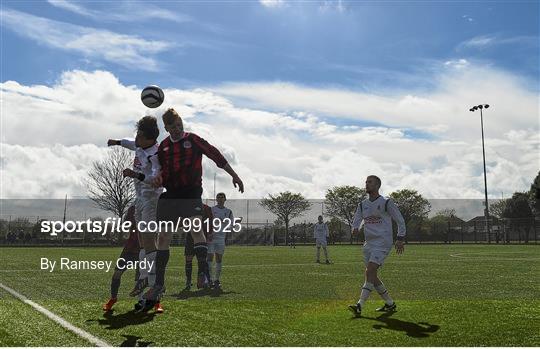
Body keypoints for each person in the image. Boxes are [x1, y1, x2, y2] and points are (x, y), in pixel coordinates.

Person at [142, 108, 244, 311]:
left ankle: (203, 273)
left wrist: (234, 174)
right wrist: (157, 178)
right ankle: (159, 285)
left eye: (179, 124)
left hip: (191, 193)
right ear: (167, 128)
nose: (177, 129)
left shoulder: (194, 140)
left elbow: (216, 155)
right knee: (163, 238)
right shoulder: (163, 147)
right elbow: (157, 170)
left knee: (196, 228)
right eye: (173, 126)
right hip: (171, 195)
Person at [107, 115, 163, 313]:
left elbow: (156, 179)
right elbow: (129, 143)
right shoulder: (139, 145)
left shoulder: (155, 155)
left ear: (148, 139)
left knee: (148, 239)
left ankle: (151, 279)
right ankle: (143, 278)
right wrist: (116, 142)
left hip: (151, 199)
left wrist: (135, 174)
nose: (136, 138)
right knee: (141, 239)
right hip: (139, 199)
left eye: (139, 135)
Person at [348, 175, 406, 318]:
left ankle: (360, 305)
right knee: (371, 274)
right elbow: (357, 219)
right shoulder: (362, 204)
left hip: (383, 242)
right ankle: (390, 303)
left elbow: (400, 220)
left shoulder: (386, 202)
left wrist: (400, 238)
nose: (367, 184)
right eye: (366, 182)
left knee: (370, 270)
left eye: (370, 182)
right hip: (368, 244)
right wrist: (355, 228)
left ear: (377, 185)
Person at [184, 204, 213, 291]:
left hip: (202, 236)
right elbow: (184, 220)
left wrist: (209, 232)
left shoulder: (207, 208)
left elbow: (210, 221)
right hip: (190, 236)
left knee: (202, 259)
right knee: (188, 259)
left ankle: (206, 280)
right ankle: (188, 281)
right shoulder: (187, 207)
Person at [208, 192, 234, 289]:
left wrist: (228, 227)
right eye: (218, 197)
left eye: (222, 197)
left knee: (219, 259)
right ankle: (209, 279)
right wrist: (208, 233)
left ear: (225, 199)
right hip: (211, 238)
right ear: (216, 199)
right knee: (209, 258)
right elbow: (207, 222)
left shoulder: (229, 211)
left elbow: (231, 224)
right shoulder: (211, 210)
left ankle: (217, 280)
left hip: (221, 238)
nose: (220, 198)